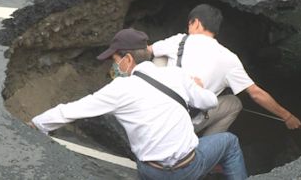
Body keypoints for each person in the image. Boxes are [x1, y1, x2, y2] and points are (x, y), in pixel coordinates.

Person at [28, 28, 248, 180]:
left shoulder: (119, 89)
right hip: (186, 169)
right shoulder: (176, 75)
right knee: (230, 142)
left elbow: (71, 111)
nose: (115, 67)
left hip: (151, 172)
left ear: (128, 59)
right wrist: (197, 86)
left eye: (115, 61)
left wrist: (37, 124)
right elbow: (210, 101)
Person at [148, 4, 301, 136]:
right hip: (184, 124)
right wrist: (287, 116)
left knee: (159, 57)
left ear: (196, 23)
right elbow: (256, 94)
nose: (189, 29)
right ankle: (205, 147)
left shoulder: (180, 40)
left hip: (157, 112)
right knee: (234, 103)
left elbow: (147, 50)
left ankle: (142, 99)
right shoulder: (230, 59)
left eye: (190, 24)